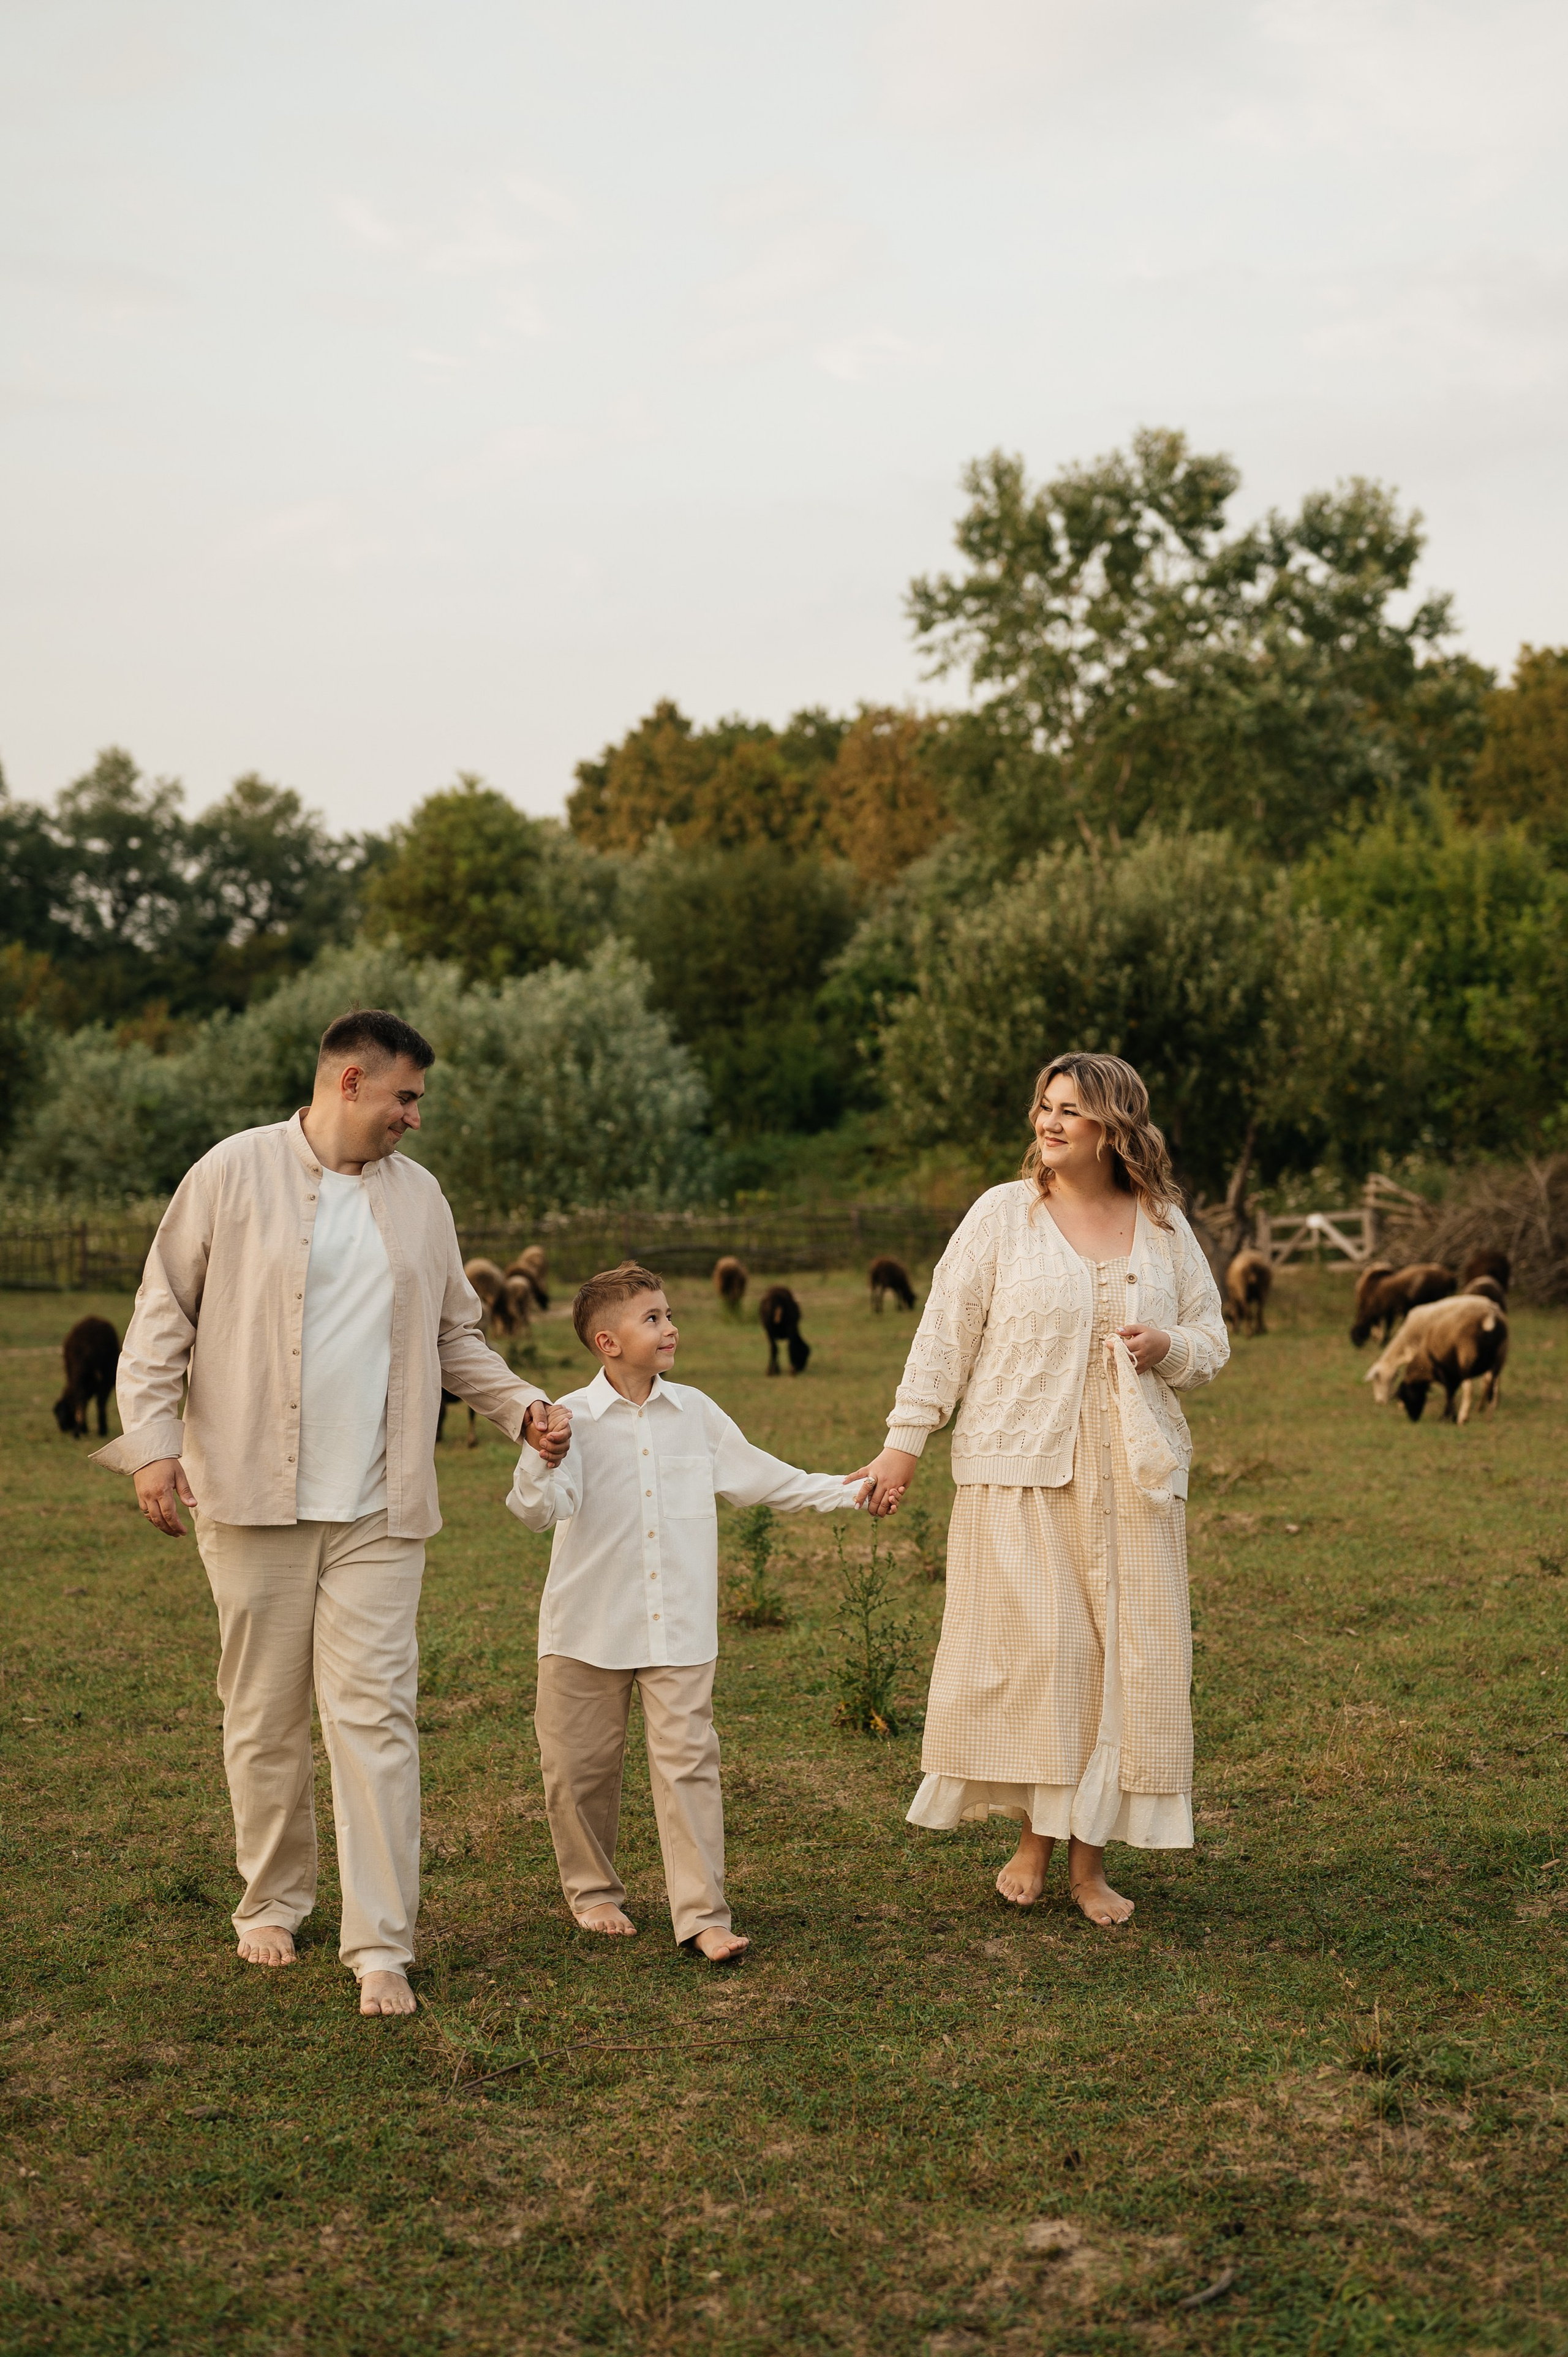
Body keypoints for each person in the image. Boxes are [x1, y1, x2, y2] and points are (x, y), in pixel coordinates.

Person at [93, 1009, 572, 2016]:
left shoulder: (422, 1197)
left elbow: (456, 1335)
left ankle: (381, 1943)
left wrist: (520, 1406)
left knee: (378, 1719)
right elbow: (161, 1316)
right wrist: (151, 1445)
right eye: (405, 1097)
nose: (414, 1118)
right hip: (250, 1497)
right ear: (350, 1081)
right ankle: (272, 1899)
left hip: (380, 1508)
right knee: (262, 1713)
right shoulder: (230, 1173)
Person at [854, 1054, 1228, 1927]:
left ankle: (1089, 1864)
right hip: (1017, 1471)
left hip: (1135, 1479)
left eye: (1070, 1110)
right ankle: (1035, 1839)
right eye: (1044, 1107)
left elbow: (1211, 1339)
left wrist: (1165, 1346)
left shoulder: (1164, 1223)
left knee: (1122, 1667)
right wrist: (903, 1444)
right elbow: (944, 1334)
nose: (1048, 1123)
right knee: (1043, 1663)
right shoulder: (1002, 1215)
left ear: (1113, 1127)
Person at [507, 1262, 865, 1961]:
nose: (671, 1328)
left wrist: (851, 1490)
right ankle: (593, 1892)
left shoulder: (696, 1412)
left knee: (690, 1767)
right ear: (607, 1342)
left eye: (669, 1314)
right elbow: (537, 1511)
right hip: (585, 1627)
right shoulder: (567, 1420)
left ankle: (703, 1914)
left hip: (679, 1627)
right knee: (577, 1770)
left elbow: (767, 1479)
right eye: (653, 1318)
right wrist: (540, 1458)